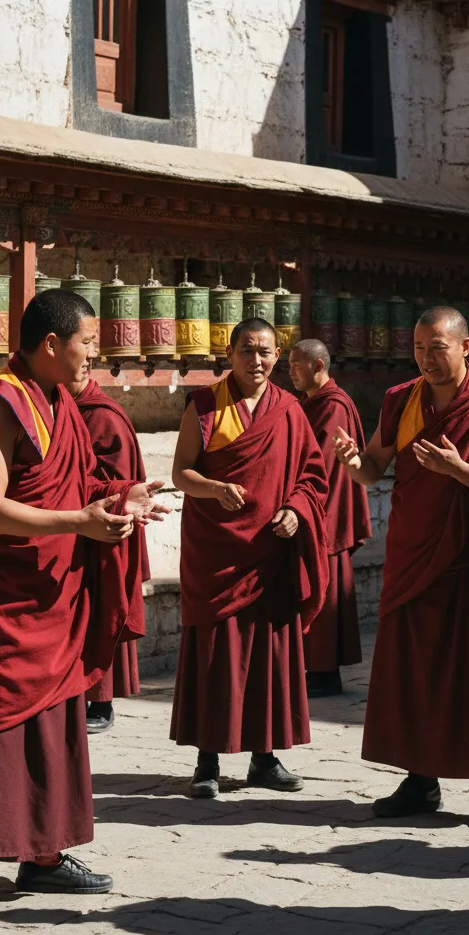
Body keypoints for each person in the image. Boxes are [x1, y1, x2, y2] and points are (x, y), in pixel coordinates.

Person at [0, 290, 164, 925]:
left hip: (48, 596)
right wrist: (80, 522)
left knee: (52, 729)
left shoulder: (60, 401)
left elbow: (71, 481)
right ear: (52, 345)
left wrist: (117, 498)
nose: (96, 354)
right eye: (88, 342)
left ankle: (44, 855)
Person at [335, 307, 469, 832]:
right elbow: (373, 467)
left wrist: (465, 472)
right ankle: (419, 778)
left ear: (466, 347)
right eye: (420, 348)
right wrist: (349, 460)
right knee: (414, 670)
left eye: (439, 347)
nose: (428, 358)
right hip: (413, 555)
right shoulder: (401, 399)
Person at [170, 318, 329, 799]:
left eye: (263, 352)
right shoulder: (203, 405)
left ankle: (264, 758)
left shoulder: (290, 411)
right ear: (229, 353)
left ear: (277, 357)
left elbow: (312, 476)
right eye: (245, 350)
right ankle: (207, 761)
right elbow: (181, 473)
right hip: (218, 551)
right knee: (214, 655)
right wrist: (215, 488)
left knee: (268, 655)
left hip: (268, 554)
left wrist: (297, 511)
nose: (254, 360)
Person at [288, 338, 371, 698]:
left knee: (326, 587)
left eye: (296, 366)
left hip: (326, 509)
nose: (290, 372)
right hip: (317, 507)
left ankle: (324, 671)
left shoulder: (333, 405)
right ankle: (319, 669)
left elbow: (315, 459)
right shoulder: (313, 402)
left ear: (318, 367)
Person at [69, 376, 152, 733]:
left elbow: (118, 478)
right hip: (70, 525)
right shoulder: (58, 408)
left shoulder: (103, 416)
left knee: (103, 608)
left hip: (106, 532)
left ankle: (101, 702)